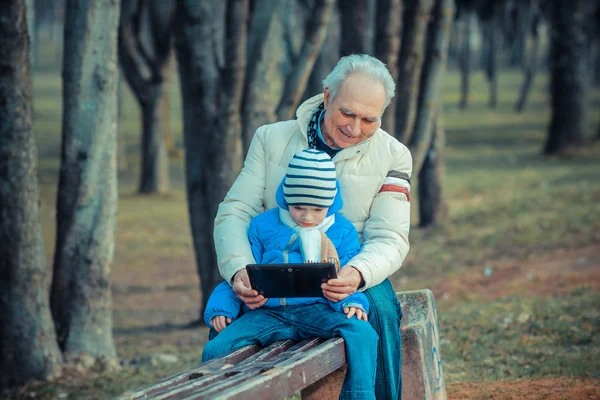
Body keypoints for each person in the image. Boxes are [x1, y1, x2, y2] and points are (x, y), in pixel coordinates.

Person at [212, 54, 412, 399]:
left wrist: (357, 273)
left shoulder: (394, 155)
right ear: (327, 97)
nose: (355, 127)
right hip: (275, 263)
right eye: (347, 113)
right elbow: (236, 210)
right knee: (224, 327)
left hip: (349, 268)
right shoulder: (271, 139)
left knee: (377, 310)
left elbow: (390, 236)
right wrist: (239, 270)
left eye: (369, 119)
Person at [203, 150, 378, 399]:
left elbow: (348, 275)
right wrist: (223, 306)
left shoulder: (342, 231)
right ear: (286, 198)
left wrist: (352, 301)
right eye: (298, 207)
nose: (307, 217)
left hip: (319, 311)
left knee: (363, 334)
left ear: (331, 202)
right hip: (267, 313)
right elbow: (242, 273)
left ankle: (359, 395)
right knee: (217, 348)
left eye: (317, 209)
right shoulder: (263, 226)